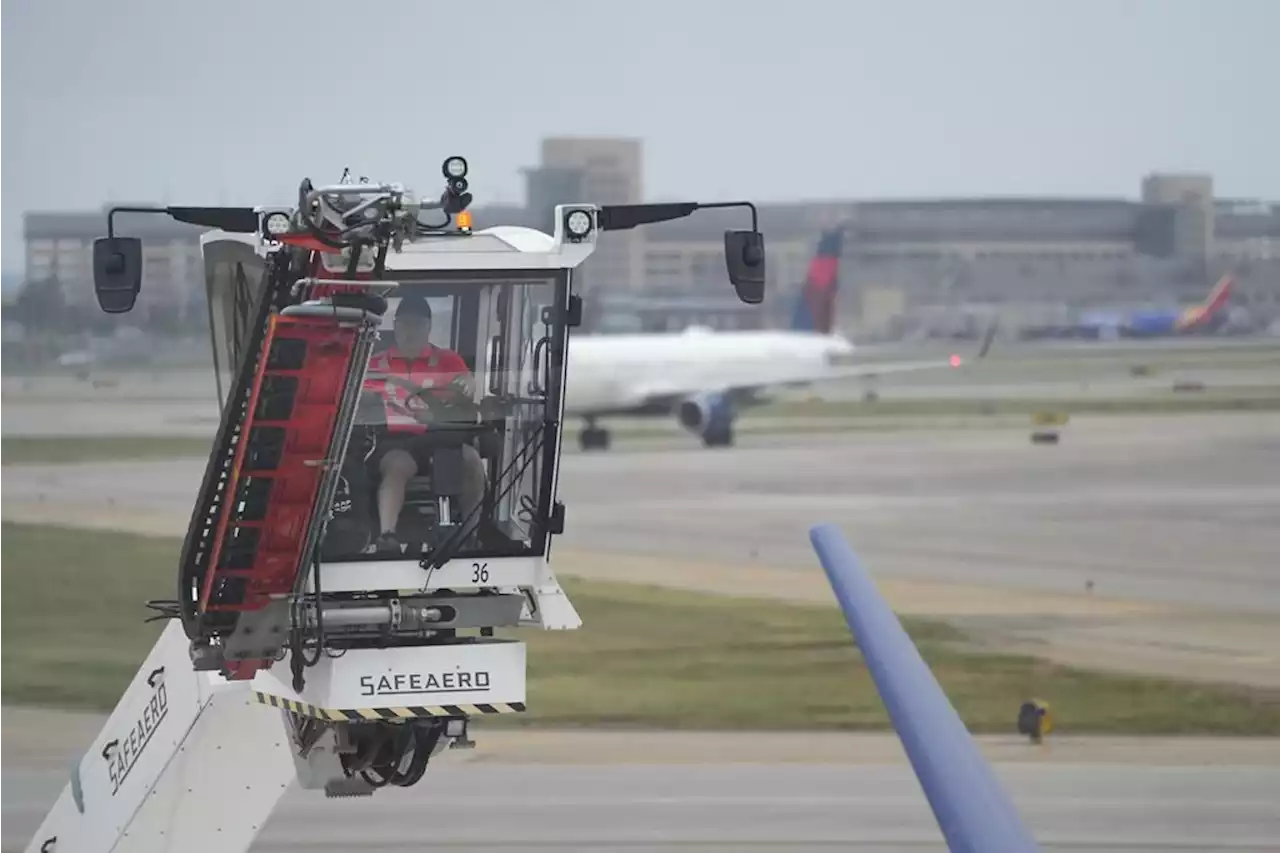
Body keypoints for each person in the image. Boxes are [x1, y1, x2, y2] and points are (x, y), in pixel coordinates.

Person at [362, 294, 487, 554]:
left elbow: (465, 390)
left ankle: (469, 535)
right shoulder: (374, 364)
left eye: (417, 324)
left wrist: (456, 393)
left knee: (472, 461)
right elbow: (359, 397)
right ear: (394, 326)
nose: (410, 331)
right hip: (395, 442)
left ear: (429, 327)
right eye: (404, 324)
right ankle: (388, 537)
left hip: (439, 438)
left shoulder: (448, 361)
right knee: (397, 466)